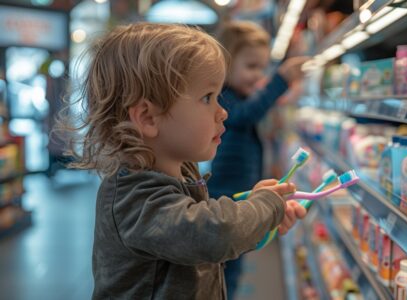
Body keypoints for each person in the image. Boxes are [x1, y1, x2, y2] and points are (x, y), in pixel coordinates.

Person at [56, 23, 307, 299]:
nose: (223, 112)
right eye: (208, 98)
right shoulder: (136, 197)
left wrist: (259, 221)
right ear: (149, 118)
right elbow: (212, 236)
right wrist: (265, 207)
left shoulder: (181, 173)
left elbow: (198, 249)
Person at [208, 21, 309, 299]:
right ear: (227, 64)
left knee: (235, 260)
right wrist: (280, 81)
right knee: (227, 266)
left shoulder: (239, 95)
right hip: (226, 196)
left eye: (262, 68)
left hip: (238, 194)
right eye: (251, 67)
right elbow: (247, 114)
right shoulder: (225, 99)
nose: (258, 75)